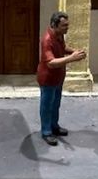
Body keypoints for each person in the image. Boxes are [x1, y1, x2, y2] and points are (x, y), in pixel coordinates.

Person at [37, 11, 86, 146]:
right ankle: (46, 131)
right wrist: (72, 58)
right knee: (47, 105)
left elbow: (63, 48)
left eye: (67, 25)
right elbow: (50, 63)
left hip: (58, 77)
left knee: (56, 103)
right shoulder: (47, 40)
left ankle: (54, 125)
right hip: (48, 78)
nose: (67, 28)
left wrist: (74, 51)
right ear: (54, 25)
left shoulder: (59, 35)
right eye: (64, 26)